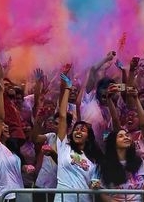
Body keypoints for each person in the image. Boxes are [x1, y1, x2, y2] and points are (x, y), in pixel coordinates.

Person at [55, 72, 102, 202]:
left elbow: (95, 182)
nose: (78, 131)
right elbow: (63, 116)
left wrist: (96, 184)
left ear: (88, 137)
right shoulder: (63, 146)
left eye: (82, 130)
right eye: (76, 129)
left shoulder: (94, 159)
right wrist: (68, 88)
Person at [100, 129, 144, 202]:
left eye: (127, 135)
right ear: (113, 142)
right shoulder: (105, 164)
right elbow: (103, 193)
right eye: (121, 136)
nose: (126, 137)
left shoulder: (139, 162)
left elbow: (143, 188)